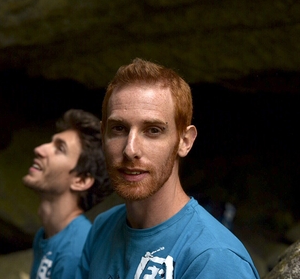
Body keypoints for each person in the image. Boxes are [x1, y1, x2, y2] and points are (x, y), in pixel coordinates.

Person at [76, 58, 260, 278]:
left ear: (185, 141)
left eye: (153, 130)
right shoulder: (102, 229)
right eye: (118, 128)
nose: (130, 149)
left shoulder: (213, 259)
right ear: (102, 135)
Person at [23, 109, 112, 279]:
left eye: (60, 149)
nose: (40, 149)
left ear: (81, 180)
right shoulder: (46, 235)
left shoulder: (76, 250)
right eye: (51, 142)